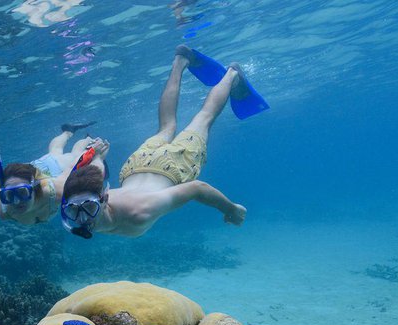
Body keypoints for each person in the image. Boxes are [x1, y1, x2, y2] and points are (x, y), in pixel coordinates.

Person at [58, 45, 265, 238]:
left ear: (104, 199)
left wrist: (231, 209)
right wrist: (99, 158)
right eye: (74, 211)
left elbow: (196, 188)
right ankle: (180, 60)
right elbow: (91, 178)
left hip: (172, 167)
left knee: (204, 118)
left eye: (90, 208)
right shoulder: (89, 196)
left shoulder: (140, 212)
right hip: (135, 166)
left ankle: (232, 75)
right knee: (166, 126)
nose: (83, 219)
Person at [0, 123, 99, 225]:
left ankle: (88, 139)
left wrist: (93, 151)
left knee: (73, 154)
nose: (16, 201)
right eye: (9, 195)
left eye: (22, 192)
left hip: (51, 168)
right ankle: (68, 132)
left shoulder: (54, 192)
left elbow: (73, 167)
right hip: (30, 171)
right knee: (54, 151)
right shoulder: (4, 210)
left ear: (34, 188)